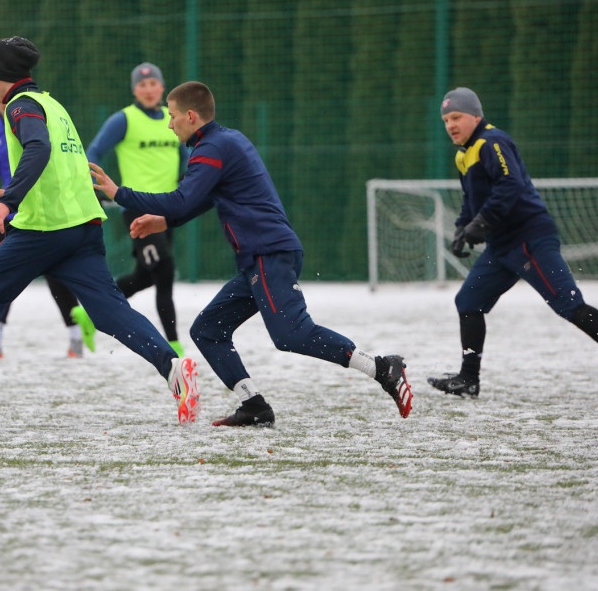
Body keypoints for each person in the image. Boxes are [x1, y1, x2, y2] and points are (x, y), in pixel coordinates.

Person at [0, 36, 199, 429]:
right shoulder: (52, 104)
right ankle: (172, 368)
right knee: (108, 311)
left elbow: (37, 150)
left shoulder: (20, 105)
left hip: (45, 229)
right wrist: (7, 191)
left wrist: (7, 201)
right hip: (82, 225)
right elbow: (59, 164)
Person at [90, 80, 412, 426]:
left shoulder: (211, 148)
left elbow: (183, 197)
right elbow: (203, 198)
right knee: (207, 330)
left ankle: (381, 367)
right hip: (258, 258)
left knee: (291, 333)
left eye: (172, 117)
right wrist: (163, 222)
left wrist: (119, 192)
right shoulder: (222, 141)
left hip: (269, 254)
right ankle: (254, 405)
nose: (169, 124)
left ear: (191, 115)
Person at [428, 87, 598, 401]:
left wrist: (480, 224)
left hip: (529, 239)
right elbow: (471, 200)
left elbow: (509, 184)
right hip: (501, 246)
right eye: (446, 119)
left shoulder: (492, 141)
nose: (450, 125)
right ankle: (468, 379)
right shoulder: (464, 154)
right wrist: (463, 228)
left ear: (476, 115)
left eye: (456, 117)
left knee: (568, 304)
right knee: (468, 302)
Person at [0, 95, 97, 358]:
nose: (1, 101)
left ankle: (76, 335)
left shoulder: (36, 121)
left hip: (44, 213)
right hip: (9, 216)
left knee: (57, 276)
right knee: (2, 277)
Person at [86, 62, 186, 357]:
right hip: (138, 207)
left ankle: (89, 314)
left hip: (168, 209)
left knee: (145, 276)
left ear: (162, 87)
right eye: (142, 85)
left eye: (153, 83)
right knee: (165, 268)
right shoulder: (123, 120)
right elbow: (93, 153)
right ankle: (174, 343)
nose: (148, 89)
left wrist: (189, 181)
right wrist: (96, 187)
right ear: (134, 90)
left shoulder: (172, 119)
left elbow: (187, 155)